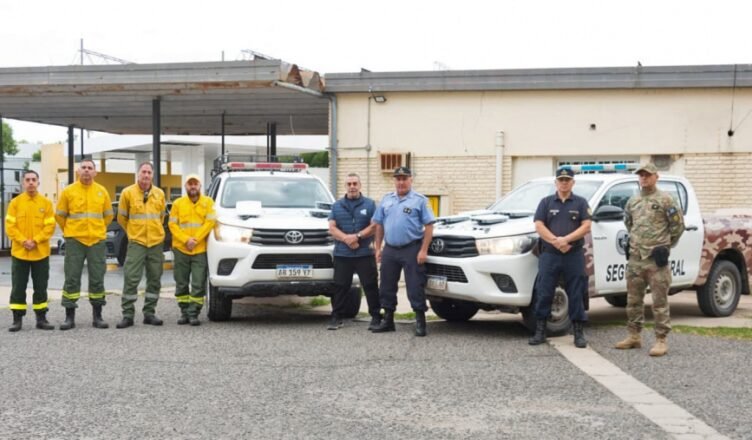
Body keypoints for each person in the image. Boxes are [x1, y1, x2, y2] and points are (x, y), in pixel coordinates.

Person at [615, 163, 684, 357]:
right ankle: (634, 336)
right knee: (633, 300)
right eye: (641, 175)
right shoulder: (633, 201)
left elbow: (678, 226)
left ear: (656, 177)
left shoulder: (666, 199)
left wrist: (665, 246)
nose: (644, 178)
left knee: (659, 302)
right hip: (636, 258)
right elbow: (629, 223)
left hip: (656, 260)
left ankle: (661, 339)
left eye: (647, 175)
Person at [529, 166, 592, 348]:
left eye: (567, 180)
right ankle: (540, 331)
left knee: (576, 292)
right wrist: (556, 241)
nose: (564, 183)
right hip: (550, 255)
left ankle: (578, 333)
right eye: (561, 180)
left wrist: (566, 240)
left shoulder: (581, 203)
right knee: (544, 291)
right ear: (556, 182)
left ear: (573, 182)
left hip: (573, 254)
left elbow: (586, 226)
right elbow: (539, 225)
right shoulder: (546, 202)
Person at [372, 166, 435, 337]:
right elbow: (379, 225)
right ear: (394, 180)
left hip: (411, 249)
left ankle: (420, 321)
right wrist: (378, 248)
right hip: (390, 249)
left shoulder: (420, 200)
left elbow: (429, 226)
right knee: (386, 285)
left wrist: (423, 250)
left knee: (415, 285)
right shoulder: (386, 199)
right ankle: (388, 320)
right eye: (398, 179)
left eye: (404, 179)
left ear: (410, 180)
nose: (401, 182)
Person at [55, 159, 114, 330]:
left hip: (96, 241)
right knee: (72, 278)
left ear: (95, 172)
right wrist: (69, 231)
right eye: (83, 167)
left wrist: (99, 229)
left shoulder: (102, 191)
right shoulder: (68, 191)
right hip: (75, 241)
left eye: (90, 168)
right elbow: (60, 215)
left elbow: (108, 215)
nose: (87, 170)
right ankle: (69, 317)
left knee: (97, 278)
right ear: (78, 171)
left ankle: (98, 316)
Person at [327, 172, 381, 331]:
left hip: (364, 253)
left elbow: (374, 226)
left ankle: (376, 317)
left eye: (355, 184)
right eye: (349, 184)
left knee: (370, 285)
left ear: (360, 185)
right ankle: (336, 317)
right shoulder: (337, 205)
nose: (352, 187)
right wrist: (347, 239)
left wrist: (357, 236)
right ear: (345, 186)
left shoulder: (370, 204)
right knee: (340, 286)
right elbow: (332, 228)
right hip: (343, 254)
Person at [116, 162, 167, 329]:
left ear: (152, 175)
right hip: (136, 242)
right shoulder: (127, 193)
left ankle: (149, 313)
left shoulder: (159, 194)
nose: (146, 175)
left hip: (155, 243)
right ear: (138, 174)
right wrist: (133, 233)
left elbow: (161, 217)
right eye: (143, 172)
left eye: (149, 172)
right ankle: (128, 315)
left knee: (155, 279)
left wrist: (154, 231)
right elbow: (122, 218)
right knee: (131, 278)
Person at [5, 170, 56, 331]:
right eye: (27, 180)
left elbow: (50, 226)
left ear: (38, 182)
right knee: (18, 287)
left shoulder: (46, 203)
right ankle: (17, 319)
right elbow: (10, 226)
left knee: (41, 287)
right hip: (20, 253)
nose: (31, 182)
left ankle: (41, 318)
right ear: (23, 183)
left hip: (40, 253)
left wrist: (36, 241)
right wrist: (23, 241)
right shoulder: (15, 203)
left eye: (34, 179)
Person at [168, 173, 216, 326]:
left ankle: (194, 313)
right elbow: (172, 225)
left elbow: (210, 222)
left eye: (195, 183)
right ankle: (184, 312)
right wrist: (186, 240)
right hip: (181, 249)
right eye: (190, 184)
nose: (193, 186)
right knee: (181, 283)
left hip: (199, 249)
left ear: (200, 186)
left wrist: (195, 239)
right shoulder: (177, 204)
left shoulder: (208, 202)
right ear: (185, 186)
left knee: (198, 283)